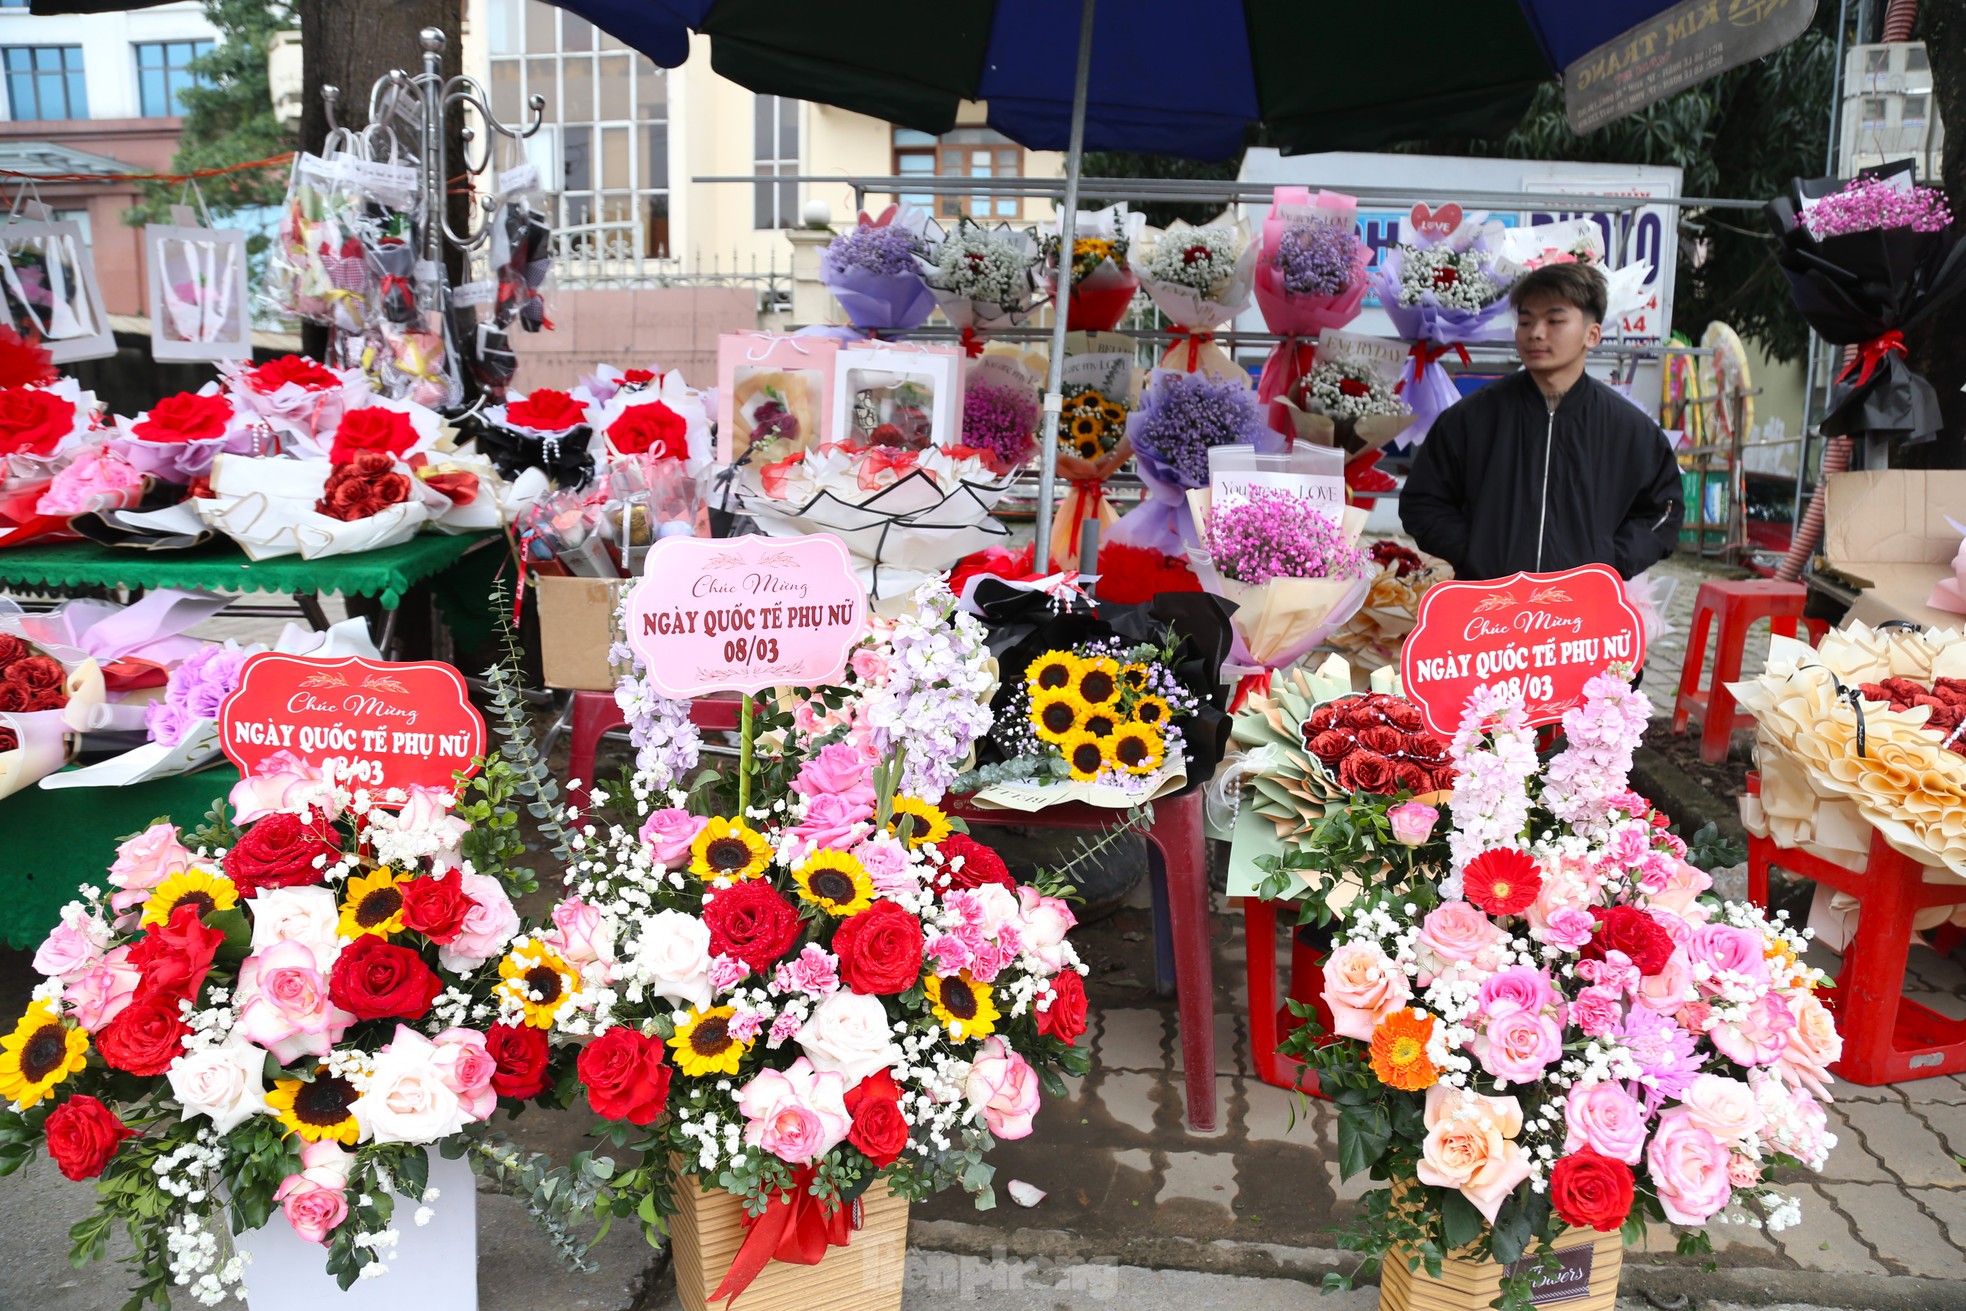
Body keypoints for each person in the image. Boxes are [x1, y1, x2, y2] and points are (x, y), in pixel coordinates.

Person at [1399, 262, 1684, 582]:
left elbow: (1664, 511)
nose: (1535, 332)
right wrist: (1473, 553)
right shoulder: (1471, 418)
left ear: (1592, 334)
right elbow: (1423, 500)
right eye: (1525, 320)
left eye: (1554, 320)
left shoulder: (1631, 430)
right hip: (1487, 606)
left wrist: (1610, 564)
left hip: (1579, 614)